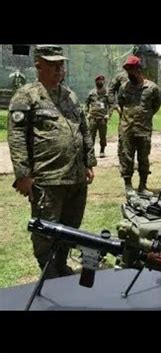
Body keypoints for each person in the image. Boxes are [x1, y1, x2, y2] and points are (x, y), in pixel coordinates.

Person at [7, 45, 96, 279]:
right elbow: (16, 136)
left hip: (75, 177)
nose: (59, 69)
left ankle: (61, 264)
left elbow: (83, 128)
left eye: (61, 65)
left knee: (70, 227)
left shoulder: (70, 95)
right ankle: (48, 272)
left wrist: (89, 161)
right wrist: (23, 175)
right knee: (45, 229)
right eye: (52, 65)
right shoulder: (26, 96)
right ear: (38, 66)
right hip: (47, 178)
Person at [117, 55, 161, 195]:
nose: (129, 73)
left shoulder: (152, 88)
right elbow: (121, 103)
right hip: (127, 128)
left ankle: (143, 186)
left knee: (143, 157)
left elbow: (156, 105)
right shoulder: (124, 87)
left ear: (138, 69)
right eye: (127, 70)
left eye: (132, 70)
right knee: (126, 156)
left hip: (144, 129)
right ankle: (128, 185)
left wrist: (145, 116)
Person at [85, 75, 110, 158]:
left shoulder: (107, 93)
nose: (101, 82)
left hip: (102, 118)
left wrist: (108, 114)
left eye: (102, 80)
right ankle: (91, 152)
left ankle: (102, 151)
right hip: (92, 117)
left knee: (103, 136)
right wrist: (86, 113)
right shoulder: (91, 93)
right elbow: (86, 103)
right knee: (91, 136)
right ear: (96, 82)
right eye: (99, 81)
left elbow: (111, 105)